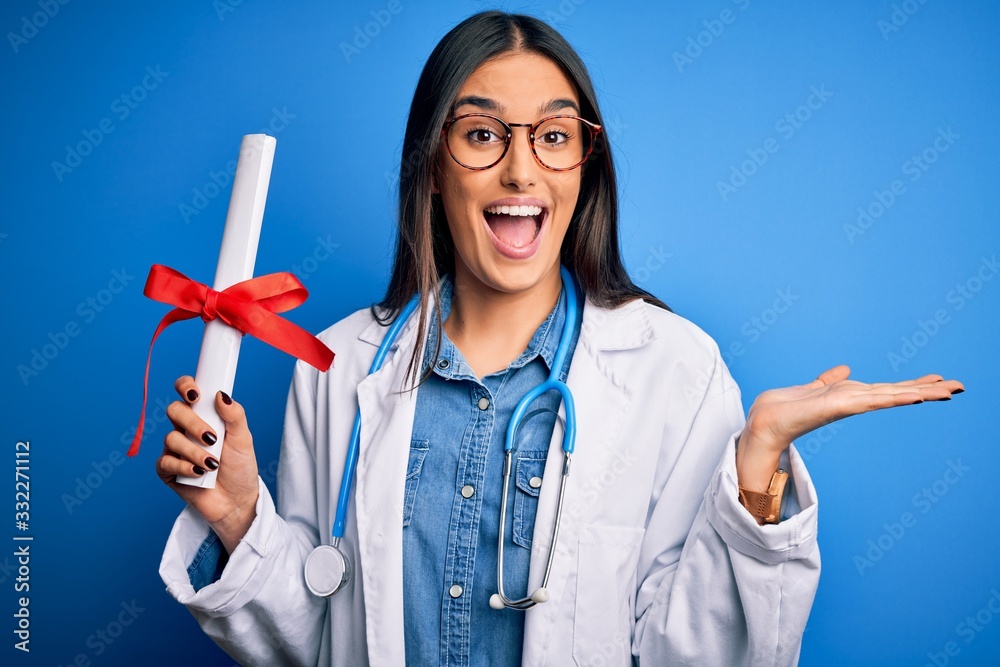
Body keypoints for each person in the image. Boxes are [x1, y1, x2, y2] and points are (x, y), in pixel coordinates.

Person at [156, 11, 962, 667]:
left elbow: (696, 656)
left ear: (584, 163)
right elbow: (322, 639)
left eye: (552, 135)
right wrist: (238, 520)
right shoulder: (338, 367)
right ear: (433, 166)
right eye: (481, 135)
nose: (520, 170)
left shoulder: (674, 371)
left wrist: (757, 470)